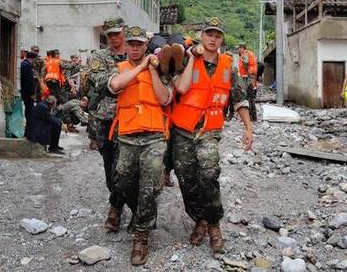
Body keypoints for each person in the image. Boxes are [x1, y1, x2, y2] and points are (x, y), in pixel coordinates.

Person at [170, 17, 253, 254]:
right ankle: (200, 219)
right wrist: (192, 56)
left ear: (222, 39)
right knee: (186, 178)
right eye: (209, 34)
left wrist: (248, 128)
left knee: (209, 173)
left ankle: (214, 225)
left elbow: (239, 99)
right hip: (183, 129)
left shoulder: (230, 66)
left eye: (217, 35)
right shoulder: (188, 58)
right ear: (202, 36)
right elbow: (180, 88)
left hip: (210, 129)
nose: (213, 39)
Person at [107, 26, 172, 265]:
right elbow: (114, 86)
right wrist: (141, 67)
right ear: (126, 46)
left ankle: (141, 236)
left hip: (154, 137)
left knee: (150, 186)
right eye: (131, 44)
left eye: (139, 44)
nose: (135, 48)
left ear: (146, 46)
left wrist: (152, 70)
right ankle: (131, 211)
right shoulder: (119, 69)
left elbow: (165, 98)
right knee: (123, 181)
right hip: (127, 136)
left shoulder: (159, 69)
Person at [85, 17, 128, 231]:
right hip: (106, 119)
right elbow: (101, 82)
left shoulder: (136, 52)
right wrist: (127, 74)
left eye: (117, 33)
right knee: (110, 164)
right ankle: (117, 203)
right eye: (109, 34)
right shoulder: (99, 57)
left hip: (132, 116)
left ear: (124, 32)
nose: (113, 37)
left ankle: (118, 208)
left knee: (126, 167)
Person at [238, 42, 258, 122]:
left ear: (242, 48)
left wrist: (247, 73)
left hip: (247, 78)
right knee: (251, 98)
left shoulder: (245, 54)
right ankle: (253, 117)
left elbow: (245, 63)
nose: (238, 50)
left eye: (239, 48)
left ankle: (249, 117)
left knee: (247, 98)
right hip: (251, 77)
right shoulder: (250, 53)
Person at [20, 51, 38, 136]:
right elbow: (28, 81)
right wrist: (32, 93)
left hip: (25, 91)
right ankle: (29, 132)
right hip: (27, 93)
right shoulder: (27, 65)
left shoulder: (23, 64)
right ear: (33, 59)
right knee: (29, 111)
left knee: (28, 111)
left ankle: (29, 130)